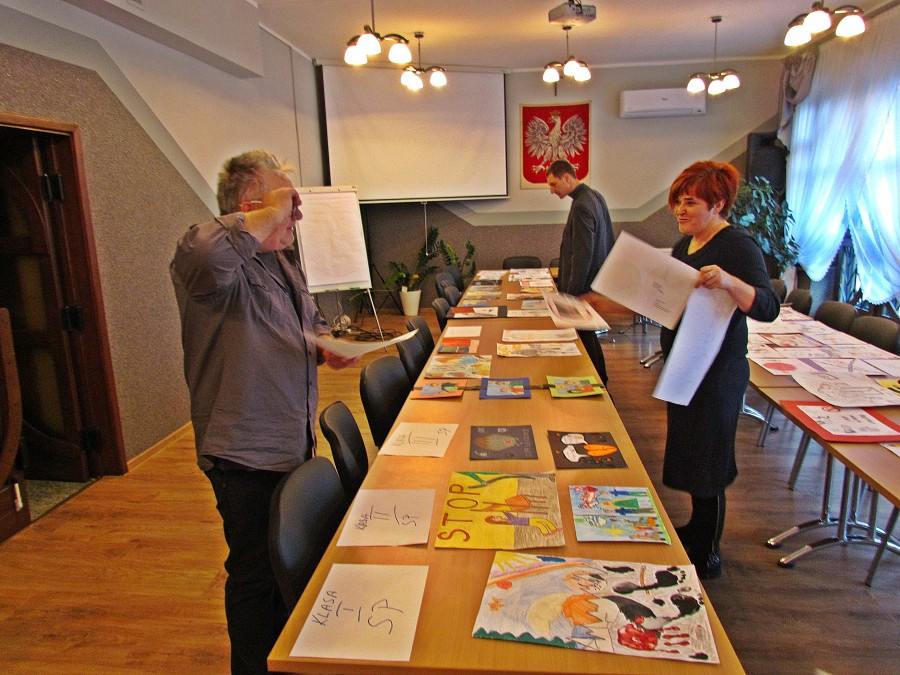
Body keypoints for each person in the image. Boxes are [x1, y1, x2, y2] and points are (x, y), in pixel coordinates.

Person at [170, 149, 357, 674]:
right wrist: (267, 214)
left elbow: (309, 319)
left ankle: (286, 659)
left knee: (285, 569)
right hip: (243, 451)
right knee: (255, 577)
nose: (296, 214)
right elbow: (203, 255)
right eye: (286, 203)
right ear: (252, 207)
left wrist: (325, 343)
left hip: (290, 439)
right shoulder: (208, 258)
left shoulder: (283, 261)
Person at [661, 161, 780, 579]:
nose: (680, 210)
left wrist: (729, 282)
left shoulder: (737, 245)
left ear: (718, 204)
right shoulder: (685, 244)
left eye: (690, 202)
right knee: (692, 454)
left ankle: (709, 552)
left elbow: (768, 306)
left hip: (717, 372)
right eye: (678, 201)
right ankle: (697, 528)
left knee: (709, 459)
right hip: (686, 365)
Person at [546, 159, 615, 384]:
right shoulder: (595, 197)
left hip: (583, 286)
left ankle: (599, 381)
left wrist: (571, 295)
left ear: (568, 177)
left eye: (554, 184)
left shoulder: (582, 205)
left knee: (584, 338)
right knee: (588, 335)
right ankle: (601, 378)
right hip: (596, 280)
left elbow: (582, 254)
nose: (552, 190)